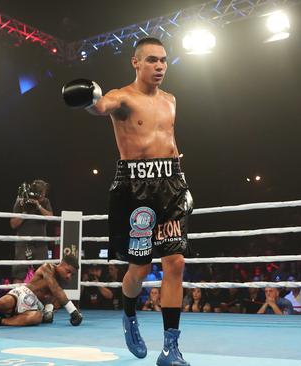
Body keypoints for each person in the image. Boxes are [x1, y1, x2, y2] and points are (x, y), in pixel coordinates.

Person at [63, 37, 193, 366]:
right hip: (134, 188)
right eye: (151, 60)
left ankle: (170, 349)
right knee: (140, 269)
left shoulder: (171, 100)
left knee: (175, 262)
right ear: (136, 63)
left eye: (163, 60)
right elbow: (100, 106)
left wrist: (182, 179)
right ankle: (130, 316)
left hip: (171, 184)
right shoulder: (122, 97)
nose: (160, 66)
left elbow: (170, 141)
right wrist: (91, 96)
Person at [10, 179, 54, 281]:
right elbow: (13, 224)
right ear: (37, 193)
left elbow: (51, 217)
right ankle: (17, 296)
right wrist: (25, 212)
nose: (44, 195)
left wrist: (38, 206)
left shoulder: (45, 202)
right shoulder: (21, 200)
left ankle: (38, 297)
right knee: (19, 274)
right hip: (23, 243)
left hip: (40, 244)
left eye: (44, 193)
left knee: (42, 274)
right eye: (42, 193)